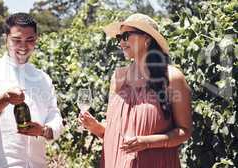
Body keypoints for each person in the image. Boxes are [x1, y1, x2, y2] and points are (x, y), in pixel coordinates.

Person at [79, 13, 192, 167]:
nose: (121, 43)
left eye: (126, 35)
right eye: (119, 38)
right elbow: (115, 133)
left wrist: (147, 143)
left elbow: (184, 132)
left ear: (147, 39)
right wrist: (96, 127)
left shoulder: (172, 77)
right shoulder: (118, 77)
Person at [0, 12, 64, 168]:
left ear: (36, 39)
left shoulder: (43, 78)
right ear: (5, 39)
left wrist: (44, 131)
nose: (23, 46)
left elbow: (54, 115)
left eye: (30, 40)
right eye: (16, 40)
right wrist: (4, 99)